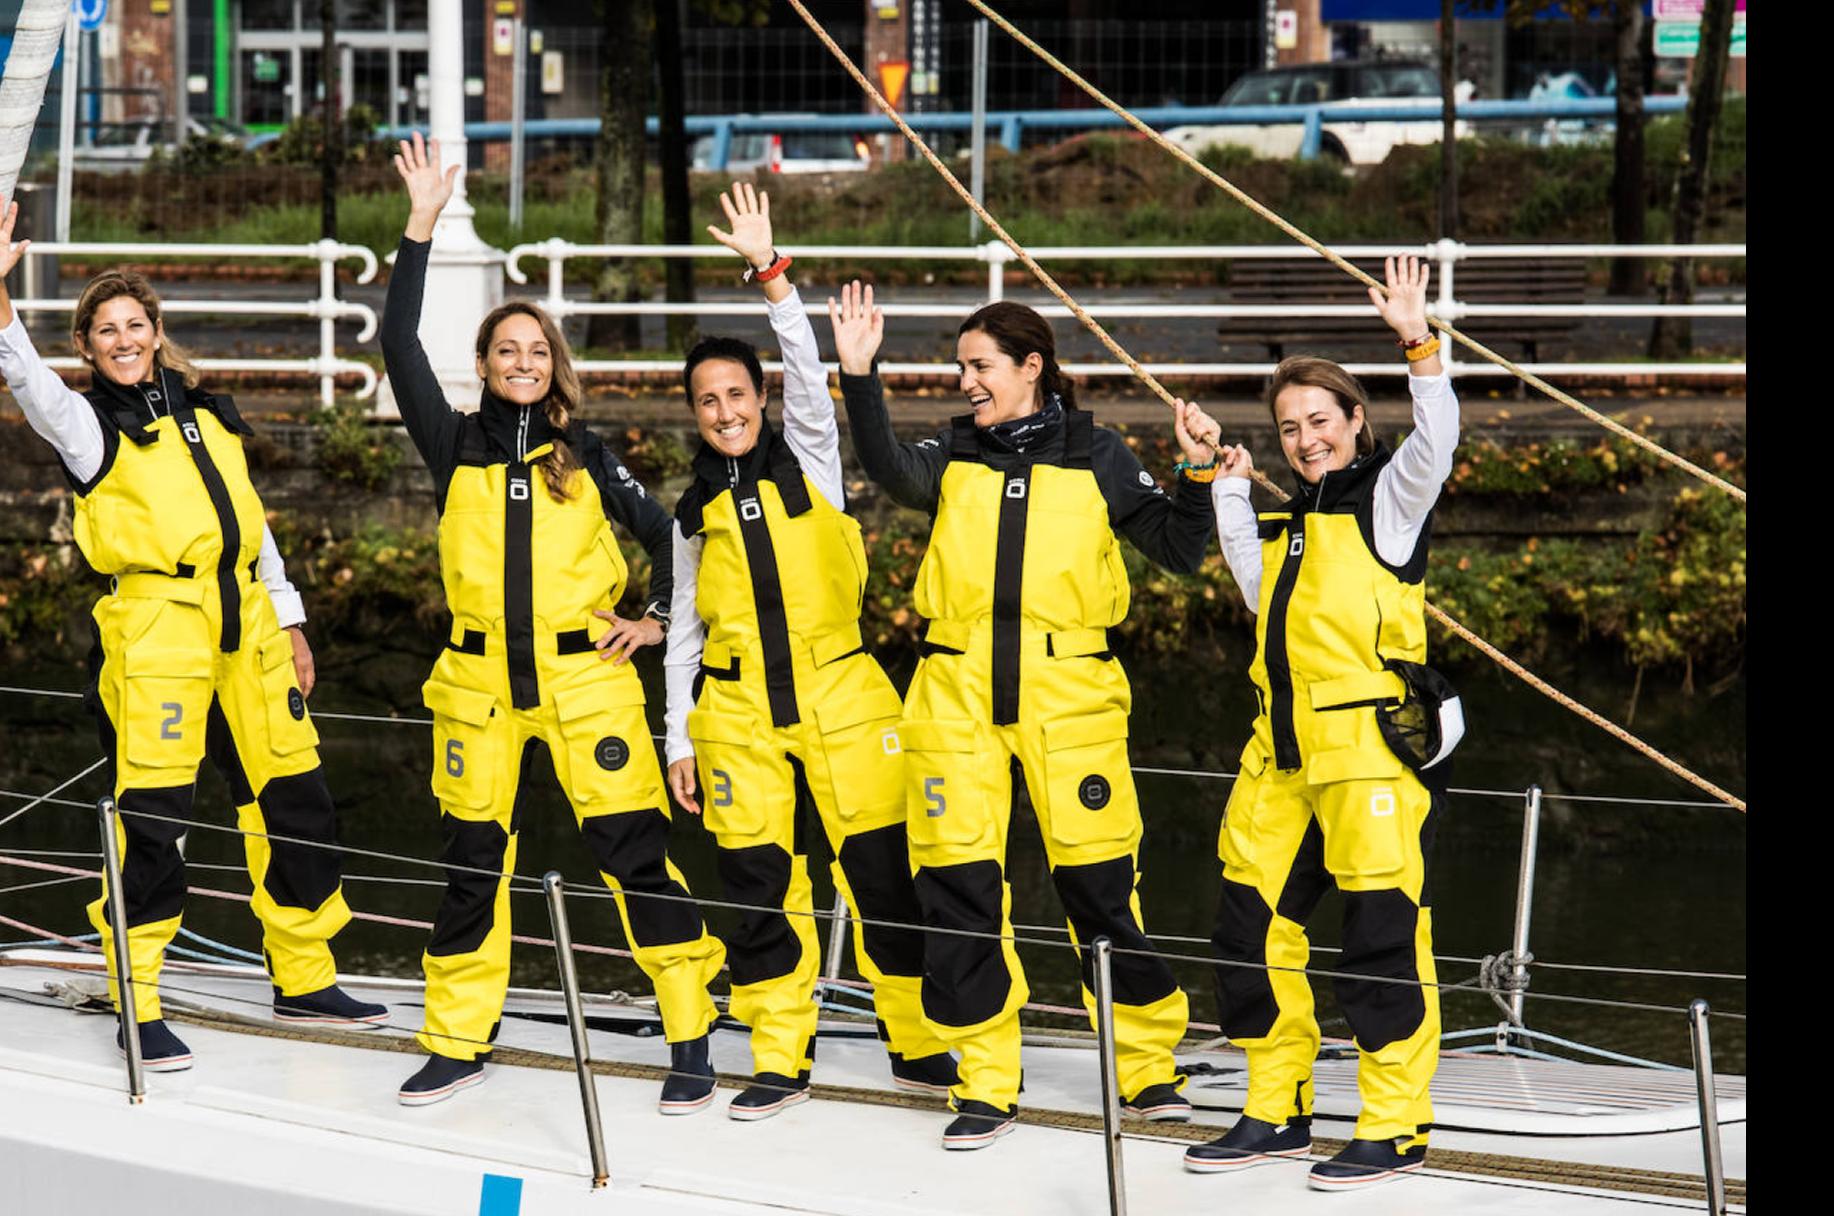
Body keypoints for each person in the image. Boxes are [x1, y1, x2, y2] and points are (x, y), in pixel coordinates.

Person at [830, 285, 1223, 1150]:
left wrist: (1196, 472)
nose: (966, 381)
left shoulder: (1098, 452)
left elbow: (1180, 548)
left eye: (980, 367)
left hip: (1069, 693)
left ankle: (1148, 1065)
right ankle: (984, 1078)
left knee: (1099, 890)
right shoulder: (955, 450)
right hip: (954, 691)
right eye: (960, 367)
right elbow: (892, 471)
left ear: (1031, 366)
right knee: (959, 891)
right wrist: (860, 374)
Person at [0, 204, 388, 1070]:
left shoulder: (209, 413)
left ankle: (306, 976)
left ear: (157, 331)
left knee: (296, 801)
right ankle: (136, 996)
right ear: (89, 348)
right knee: (155, 822)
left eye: (135, 323)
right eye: (106, 330)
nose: (124, 339)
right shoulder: (88, 426)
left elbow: (254, 526)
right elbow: (23, 376)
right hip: (157, 634)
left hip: (248, 626)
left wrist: (289, 619)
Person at [383, 134, 725, 1108]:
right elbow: (398, 345)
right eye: (506, 350)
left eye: (537, 350)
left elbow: (675, 541)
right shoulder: (453, 447)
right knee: (470, 866)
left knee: (632, 858)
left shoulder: (590, 452)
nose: (522, 361)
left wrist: (658, 621)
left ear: (553, 364)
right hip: (480, 684)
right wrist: (420, 226)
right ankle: (457, 1033)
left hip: (587, 682)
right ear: (486, 364)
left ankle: (690, 1026)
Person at [661, 183, 958, 1121]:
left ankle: (919, 1042)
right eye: (707, 401)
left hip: (844, 698)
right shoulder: (690, 514)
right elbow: (681, 639)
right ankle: (779, 1052)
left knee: (881, 877)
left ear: (760, 400)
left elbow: (805, 366)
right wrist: (678, 739)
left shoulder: (812, 464)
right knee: (756, 887)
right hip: (736, 714)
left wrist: (771, 275)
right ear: (695, 413)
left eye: (737, 394)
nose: (725, 411)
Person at [1181, 255, 1461, 1191]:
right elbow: (1255, 588)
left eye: (1319, 423)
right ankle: (1277, 1107)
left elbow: (1441, 436)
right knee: (1247, 928)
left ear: (1354, 424)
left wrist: (1418, 341)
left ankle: (1396, 1124)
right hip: (1281, 757)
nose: (1305, 440)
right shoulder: (1291, 524)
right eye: (1291, 428)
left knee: (1380, 938)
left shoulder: (1390, 500)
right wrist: (1222, 480)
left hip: (1369, 757)